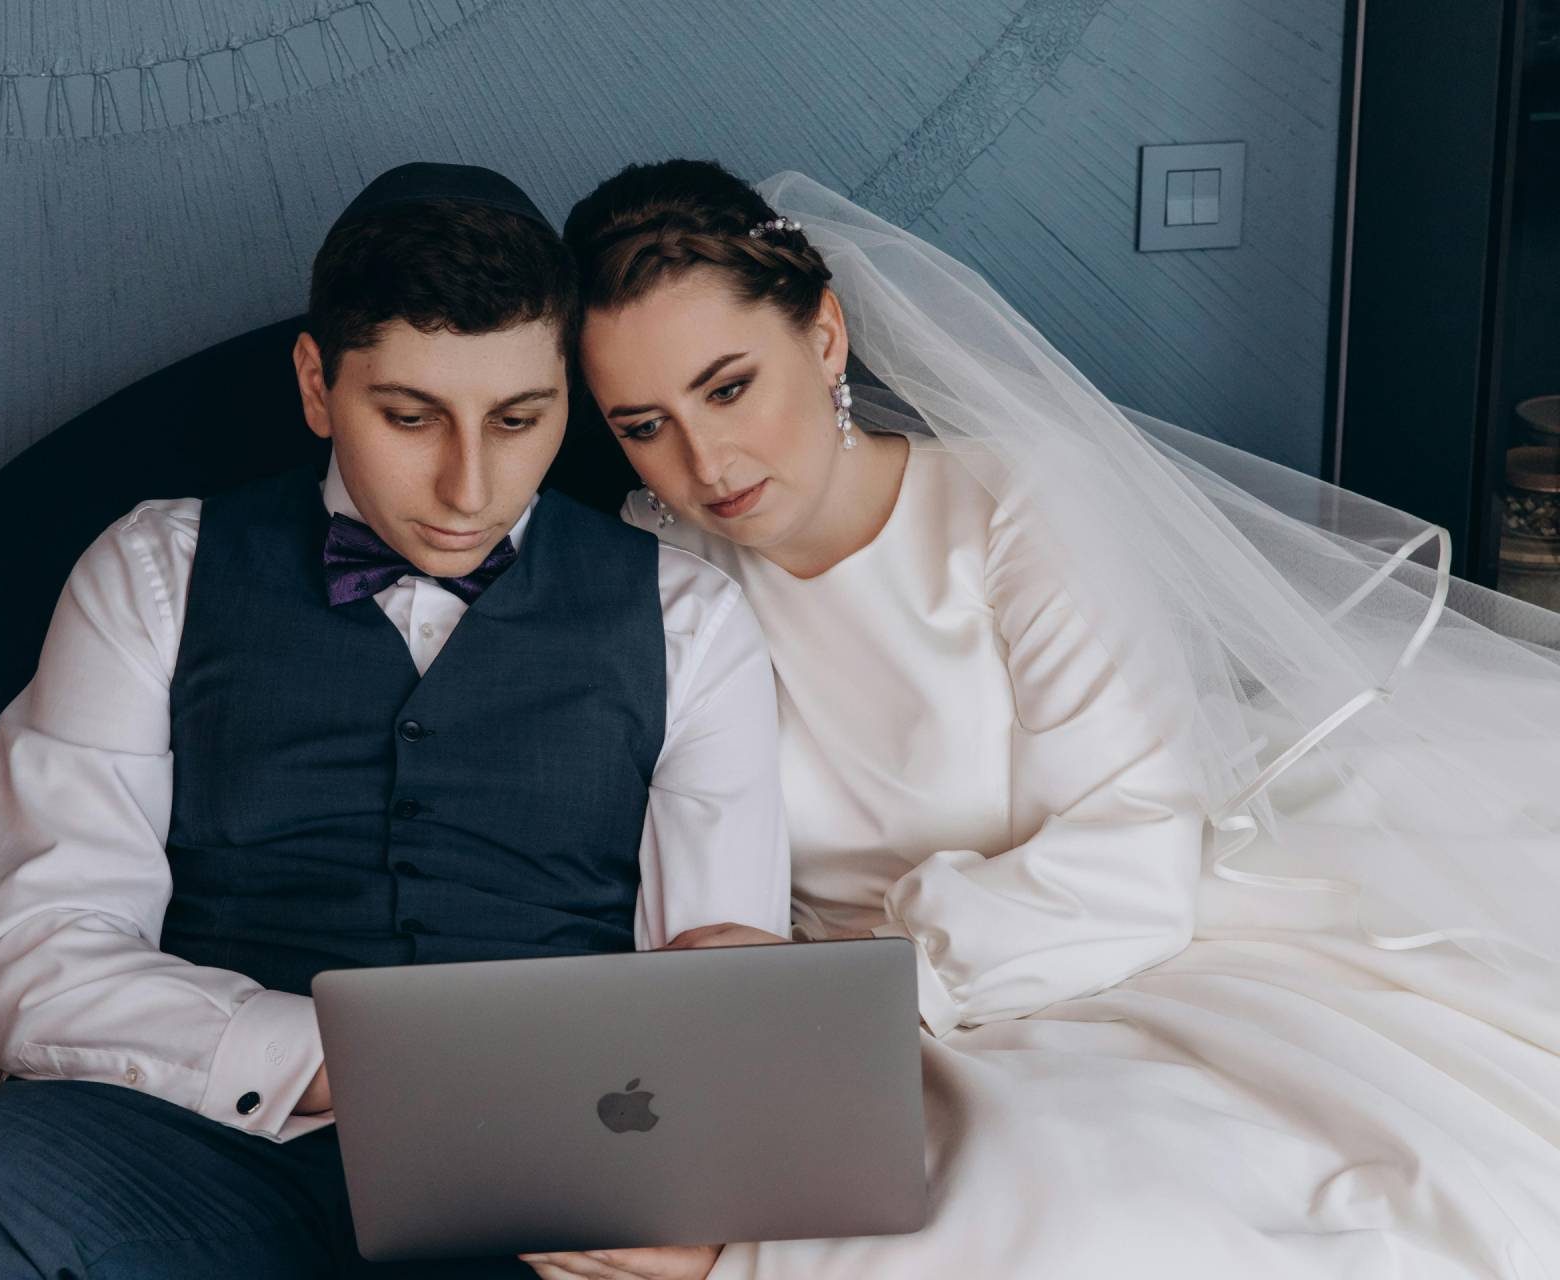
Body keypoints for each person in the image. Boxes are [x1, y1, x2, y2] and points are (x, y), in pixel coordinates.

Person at [522, 159, 1560, 1280]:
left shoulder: (1014, 502)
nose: (704, 462)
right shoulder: (659, 568)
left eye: (729, 388)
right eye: (643, 425)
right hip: (834, 1025)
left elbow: (1134, 858)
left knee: (1069, 1209)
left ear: (825, 335)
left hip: (1111, 959)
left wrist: (855, 991)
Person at [0, 161, 791, 1279]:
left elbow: (713, 989)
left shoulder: (687, 615)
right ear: (318, 385)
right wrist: (371, 1067)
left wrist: (681, 1205)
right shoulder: (154, 571)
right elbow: (44, 962)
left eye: (518, 418)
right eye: (410, 416)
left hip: (519, 1193)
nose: (467, 485)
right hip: (200, 1157)